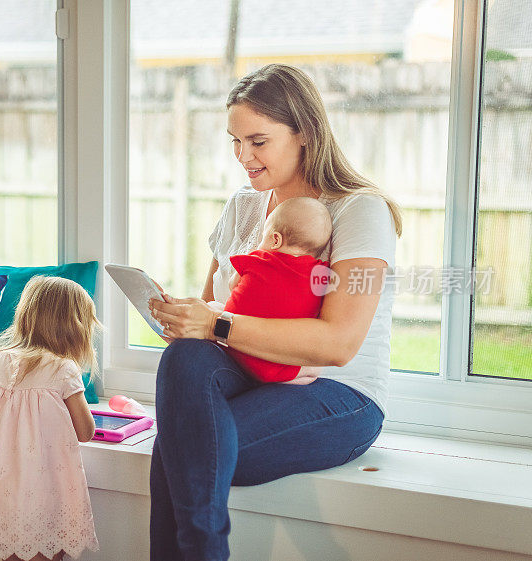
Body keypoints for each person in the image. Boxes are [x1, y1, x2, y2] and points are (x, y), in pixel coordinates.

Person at [147, 63, 402, 561]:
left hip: (338, 395)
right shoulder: (244, 207)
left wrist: (215, 322)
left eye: (258, 141)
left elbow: (339, 344)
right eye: (235, 142)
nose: (243, 156)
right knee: (184, 362)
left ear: (304, 132)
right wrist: (184, 319)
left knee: (180, 446)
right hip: (252, 375)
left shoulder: (357, 211)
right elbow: (212, 310)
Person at [0, 276, 100, 561]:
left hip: (0, 487)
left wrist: (0, 430)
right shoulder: (63, 369)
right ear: (74, 327)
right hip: (44, 491)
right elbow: (85, 431)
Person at [223, 196, 332, 385]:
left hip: (235, 352)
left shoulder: (256, 259)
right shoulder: (322, 274)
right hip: (279, 370)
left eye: (263, 236)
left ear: (275, 239)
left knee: (214, 307)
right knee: (314, 371)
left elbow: (233, 286)